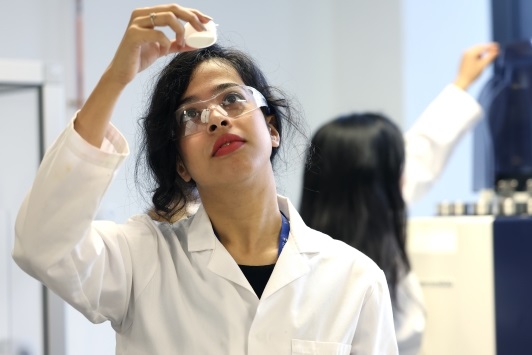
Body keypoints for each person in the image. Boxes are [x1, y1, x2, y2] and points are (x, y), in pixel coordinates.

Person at [12, 4, 398, 354]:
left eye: (231, 98)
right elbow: (43, 244)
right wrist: (116, 77)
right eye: (189, 116)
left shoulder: (354, 278)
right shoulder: (142, 259)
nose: (215, 118)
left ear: (271, 128)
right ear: (182, 165)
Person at [299, 43, 498, 355]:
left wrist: (462, 83)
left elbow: (423, 149)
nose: (407, 173)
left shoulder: (359, 215)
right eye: (397, 167)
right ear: (377, 183)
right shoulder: (326, 274)